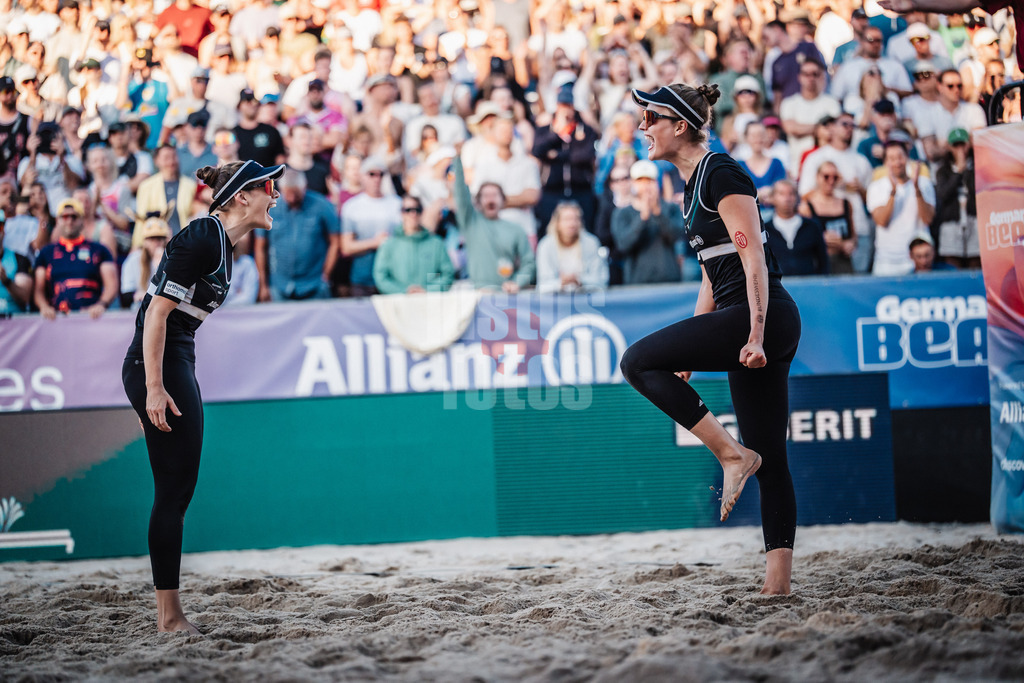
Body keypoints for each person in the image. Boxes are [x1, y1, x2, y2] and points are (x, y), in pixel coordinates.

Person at [620, 82, 802, 595]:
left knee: (635, 362)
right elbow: (710, 272)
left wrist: (757, 333)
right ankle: (777, 588)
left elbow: (753, 262)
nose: (642, 127)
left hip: (761, 315)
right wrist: (694, 353)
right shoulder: (690, 183)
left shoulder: (720, 172)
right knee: (772, 456)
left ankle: (729, 454)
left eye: (650, 118)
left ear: (680, 125)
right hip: (742, 315)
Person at [121, 158, 284, 634]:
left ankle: (170, 614)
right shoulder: (202, 236)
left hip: (174, 361)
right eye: (267, 186)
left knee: (178, 490)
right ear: (240, 197)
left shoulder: (224, 245)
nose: (275, 195)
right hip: (160, 365)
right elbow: (153, 315)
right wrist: (151, 389)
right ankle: (169, 618)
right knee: (173, 492)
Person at [451, 153, 535, 293]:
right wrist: (458, 159)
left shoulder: (516, 230)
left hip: (506, 296)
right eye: (486, 196)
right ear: (478, 202)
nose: (491, 200)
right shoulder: (471, 223)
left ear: (503, 200)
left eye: (495, 195)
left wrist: (517, 282)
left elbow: (529, 263)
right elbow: (460, 194)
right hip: (478, 294)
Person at [254, 168, 339, 302]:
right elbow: (260, 247)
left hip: (314, 284)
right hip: (279, 284)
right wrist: (263, 285)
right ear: (281, 190)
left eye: (297, 194)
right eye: (289, 194)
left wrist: (326, 276)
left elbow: (335, 241)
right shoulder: (269, 209)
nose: (293, 198)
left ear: (305, 187)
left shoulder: (321, 205)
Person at [33, 197, 118, 319]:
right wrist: (44, 307)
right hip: (56, 319)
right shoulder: (46, 253)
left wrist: (101, 305)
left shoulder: (99, 250)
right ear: (57, 220)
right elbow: (38, 289)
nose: (69, 221)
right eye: (65, 217)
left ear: (82, 220)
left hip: (91, 318)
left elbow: (111, 284)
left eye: (74, 217)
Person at [867, 141, 936, 275]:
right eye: (892, 159)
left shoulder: (923, 183)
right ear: (886, 162)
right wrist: (893, 192)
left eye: (900, 157)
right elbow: (881, 221)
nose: (897, 163)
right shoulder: (876, 187)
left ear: (907, 158)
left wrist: (917, 189)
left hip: (917, 261)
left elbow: (927, 218)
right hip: (886, 262)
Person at [611, 159, 685, 285]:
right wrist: (642, 218)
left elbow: (677, 236)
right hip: (637, 283)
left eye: (650, 180)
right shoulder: (622, 213)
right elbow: (623, 245)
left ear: (657, 182)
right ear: (633, 184)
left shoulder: (671, 208)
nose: (646, 186)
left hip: (669, 281)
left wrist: (658, 213)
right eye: (641, 181)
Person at [340, 156, 402, 297]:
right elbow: (346, 247)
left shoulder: (396, 204)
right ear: (362, 176)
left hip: (393, 278)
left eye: (381, 174)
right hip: (363, 279)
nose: (377, 179)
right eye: (372, 174)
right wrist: (374, 243)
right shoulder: (352, 207)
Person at [372, 195, 455, 295]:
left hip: (430, 304)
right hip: (398, 305)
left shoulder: (436, 244)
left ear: (422, 212)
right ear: (401, 213)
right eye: (408, 210)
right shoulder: (389, 245)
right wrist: (404, 291)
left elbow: (447, 274)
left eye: (417, 209)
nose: (413, 214)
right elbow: (381, 277)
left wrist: (427, 290)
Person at [535, 200, 608, 294]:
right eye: (567, 219)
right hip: (554, 302)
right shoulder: (545, 245)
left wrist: (580, 281)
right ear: (557, 222)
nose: (572, 224)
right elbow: (542, 285)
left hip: (586, 299)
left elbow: (601, 280)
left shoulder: (591, 243)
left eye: (576, 219)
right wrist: (560, 283)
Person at [800, 162, 858, 274]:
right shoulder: (807, 207)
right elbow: (801, 239)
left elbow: (853, 235)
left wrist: (851, 243)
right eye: (826, 177)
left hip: (843, 262)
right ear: (817, 177)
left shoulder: (846, 204)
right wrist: (820, 238)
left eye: (835, 177)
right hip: (819, 261)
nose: (831, 181)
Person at [765, 179, 830, 276]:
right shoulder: (765, 229)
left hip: (809, 285)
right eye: (781, 194)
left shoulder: (812, 226)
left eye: (791, 194)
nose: (787, 198)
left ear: (797, 198)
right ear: (773, 198)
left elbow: (823, 260)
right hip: (778, 287)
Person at [0, 209, 34, 314]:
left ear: (4, 231)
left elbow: (25, 299)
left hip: (13, 325)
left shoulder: (19, 258)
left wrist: (6, 280)